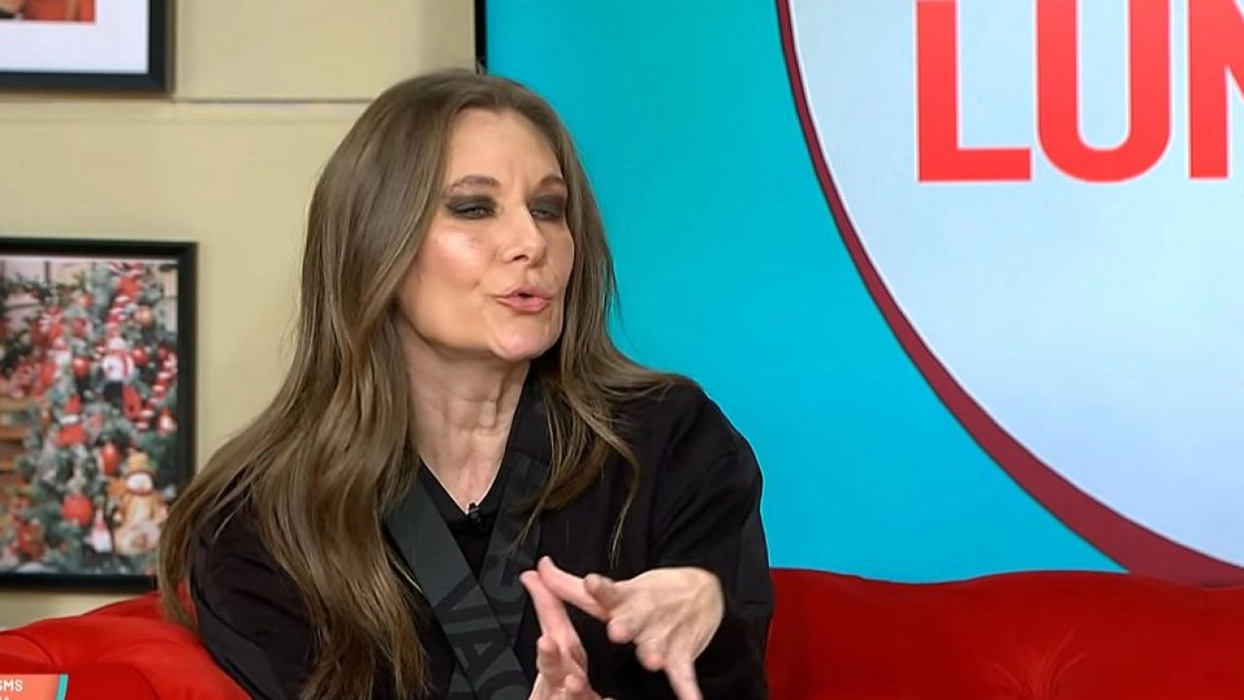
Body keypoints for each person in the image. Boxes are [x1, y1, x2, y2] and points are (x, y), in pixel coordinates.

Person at [157, 68, 773, 700]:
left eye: (548, 209)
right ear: (375, 243)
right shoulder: (261, 515)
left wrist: (713, 614)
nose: (531, 242)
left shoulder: (670, 440)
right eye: (474, 208)